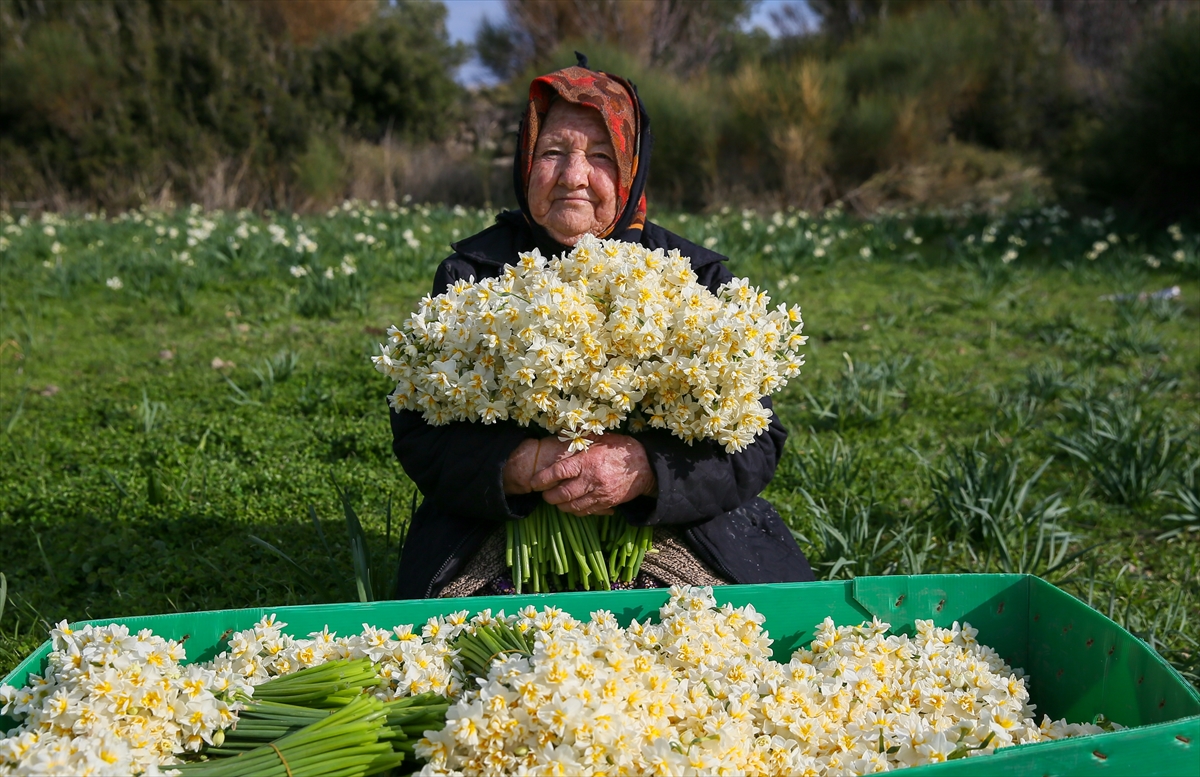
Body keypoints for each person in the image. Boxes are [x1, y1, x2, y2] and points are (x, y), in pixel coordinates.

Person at [390, 58, 815, 600]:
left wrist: (646, 471)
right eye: (552, 153)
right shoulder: (474, 276)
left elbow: (756, 444)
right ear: (525, 162)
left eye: (599, 157)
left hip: (664, 529)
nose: (573, 177)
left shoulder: (693, 277)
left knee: (700, 641)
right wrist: (516, 465)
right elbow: (421, 432)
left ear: (631, 166)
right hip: (510, 531)